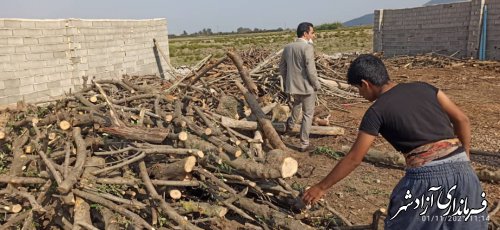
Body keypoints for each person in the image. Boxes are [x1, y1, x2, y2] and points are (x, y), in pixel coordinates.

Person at [302, 54, 488, 229]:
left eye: (358, 88)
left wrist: (321, 187)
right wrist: (465, 156)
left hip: (426, 179)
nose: (360, 94)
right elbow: (462, 119)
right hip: (464, 173)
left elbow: (354, 158)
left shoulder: (376, 112)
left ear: (366, 84)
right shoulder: (426, 88)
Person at [279, 22, 321, 152]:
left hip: (293, 86)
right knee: (308, 114)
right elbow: (311, 70)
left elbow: (282, 67)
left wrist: (287, 82)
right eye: (312, 32)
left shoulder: (288, 47)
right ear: (305, 33)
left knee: (296, 106)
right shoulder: (307, 48)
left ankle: (289, 127)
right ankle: (304, 143)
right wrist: (316, 85)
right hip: (307, 87)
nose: (313, 35)